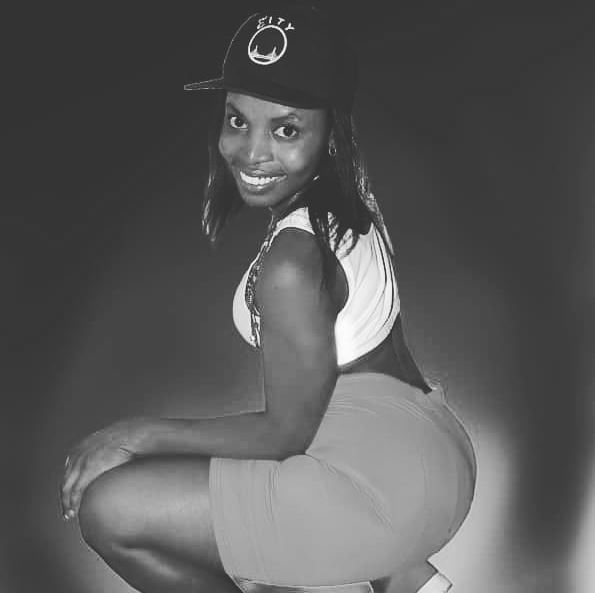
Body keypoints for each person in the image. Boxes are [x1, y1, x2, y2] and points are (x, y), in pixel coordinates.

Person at [60, 5, 476, 593]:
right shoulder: (346, 202)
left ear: (331, 133)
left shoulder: (292, 262)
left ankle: (381, 563)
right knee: (210, 502)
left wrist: (132, 434)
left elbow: (285, 436)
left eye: (286, 129)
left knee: (110, 509)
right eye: (238, 120)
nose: (252, 151)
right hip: (429, 450)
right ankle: (396, 576)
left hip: (380, 488)